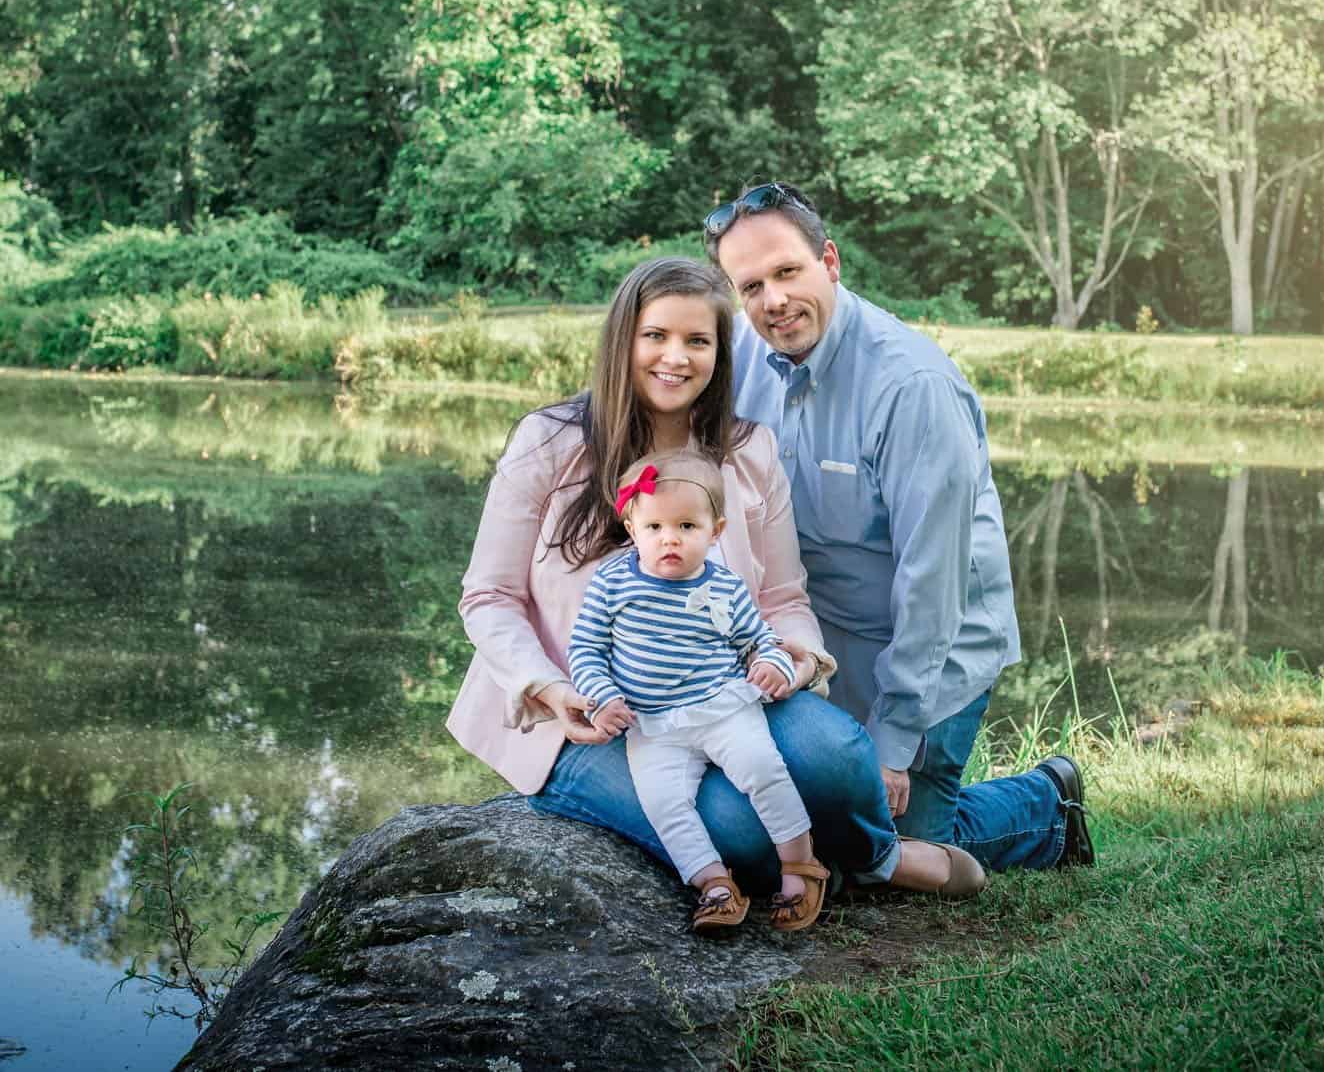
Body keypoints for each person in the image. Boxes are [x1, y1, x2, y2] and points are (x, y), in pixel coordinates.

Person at [447, 256, 986, 904]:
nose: (676, 357)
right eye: (657, 336)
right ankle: (900, 855)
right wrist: (549, 686)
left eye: (697, 341)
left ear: (719, 354)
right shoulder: (549, 441)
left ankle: (876, 858)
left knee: (838, 752)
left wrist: (795, 657)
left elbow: (784, 597)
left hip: (717, 693)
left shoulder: (749, 452)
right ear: (624, 339)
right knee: (742, 834)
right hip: (586, 718)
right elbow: (489, 597)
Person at [706, 184, 1097, 872]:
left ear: (829, 261)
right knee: (782, 831)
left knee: (874, 853)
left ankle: (1047, 805)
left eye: (788, 272)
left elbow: (932, 586)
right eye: (752, 285)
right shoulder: (741, 353)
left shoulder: (911, 386)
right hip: (821, 644)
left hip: (934, 649)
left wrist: (891, 742)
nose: (773, 301)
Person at [569, 447, 829, 933]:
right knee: (664, 804)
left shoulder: (725, 587)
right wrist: (602, 698)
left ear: (716, 531)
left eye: (687, 527)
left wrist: (772, 664)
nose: (670, 540)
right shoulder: (612, 582)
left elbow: (759, 640)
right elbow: (585, 649)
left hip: (721, 708)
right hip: (652, 724)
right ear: (632, 529)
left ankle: (799, 865)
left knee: (763, 770)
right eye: (655, 528)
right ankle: (714, 884)